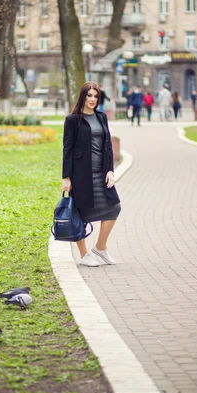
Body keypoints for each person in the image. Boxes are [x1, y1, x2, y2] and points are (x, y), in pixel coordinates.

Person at [62, 82, 121, 267]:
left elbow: (107, 146)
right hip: (81, 174)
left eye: (96, 96)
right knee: (79, 214)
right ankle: (84, 254)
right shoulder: (73, 120)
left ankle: (100, 248)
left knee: (114, 207)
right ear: (83, 97)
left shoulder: (101, 117)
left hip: (101, 174)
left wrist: (110, 170)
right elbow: (67, 149)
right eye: (89, 96)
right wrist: (66, 177)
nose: (93, 99)